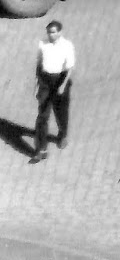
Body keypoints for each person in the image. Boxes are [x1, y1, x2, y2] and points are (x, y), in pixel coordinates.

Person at [31, 20, 73, 163]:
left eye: (53, 32)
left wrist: (62, 86)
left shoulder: (67, 46)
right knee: (42, 116)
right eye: (49, 32)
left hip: (60, 80)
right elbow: (39, 64)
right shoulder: (42, 44)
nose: (51, 35)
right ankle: (41, 150)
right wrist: (36, 83)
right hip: (45, 81)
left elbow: (69, 69)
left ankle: (62, 134)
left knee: (61, 112)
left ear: (60, 32)